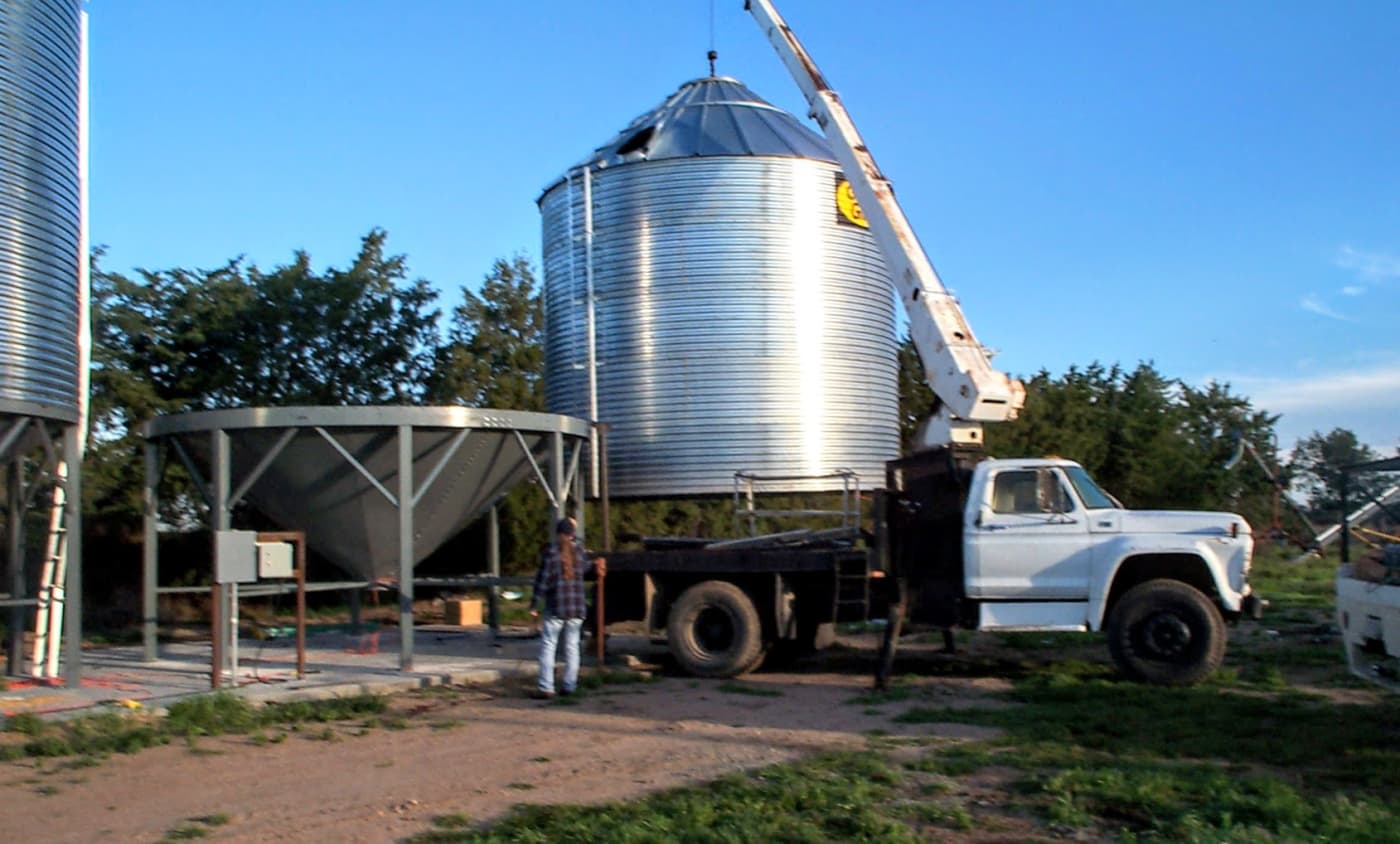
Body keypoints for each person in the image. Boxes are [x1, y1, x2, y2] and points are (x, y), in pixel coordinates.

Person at [529, 517, 606, 698]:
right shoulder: (579, 553)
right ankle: (569, 686)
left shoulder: (550, 554)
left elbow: (542, 582)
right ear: (572, 535)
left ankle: (546, 687)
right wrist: (597, 564)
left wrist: (534, 604)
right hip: (576, 609)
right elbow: (588, 570)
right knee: (572, 647)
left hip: (556, 608)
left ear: (558, 534)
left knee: (549, 646)